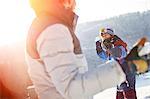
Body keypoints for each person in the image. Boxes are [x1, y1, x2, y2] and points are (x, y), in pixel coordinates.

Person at [26, 0, 149, 99]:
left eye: (106, 34)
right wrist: (122, 66)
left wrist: (124, 64)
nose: (75, 3)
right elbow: (72, 88)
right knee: (121, 93)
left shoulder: (49, 26)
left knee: (128, 92)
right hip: (121, 71)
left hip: (124, 73)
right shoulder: (53, 29)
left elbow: (120, 52)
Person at [95, 27, 137, 99]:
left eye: (105, 34)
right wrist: (99, 48)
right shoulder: (108, 45)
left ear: (111, 34)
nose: (103, 36)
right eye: (102, 35)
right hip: (118, 72)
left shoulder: (117, 42)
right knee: (120, 90)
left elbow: (120, 54)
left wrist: (110, 49)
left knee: (128, 90)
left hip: (127, 70)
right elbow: (105, 56)